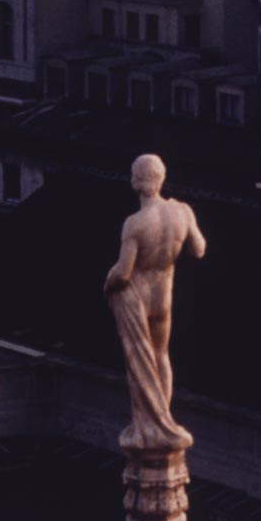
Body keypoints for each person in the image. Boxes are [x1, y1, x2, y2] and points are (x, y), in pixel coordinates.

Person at [104, 154, 207, 450]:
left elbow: (123, 273)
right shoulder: (182, 212)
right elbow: (199, 250)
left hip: (138, 297)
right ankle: (164, 416)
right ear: (162, 179)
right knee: (161, 356)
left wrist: (107, 282)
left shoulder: (134, 224)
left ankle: (149, 424)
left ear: (135, 181)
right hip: (164, 295)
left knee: (139, 361)